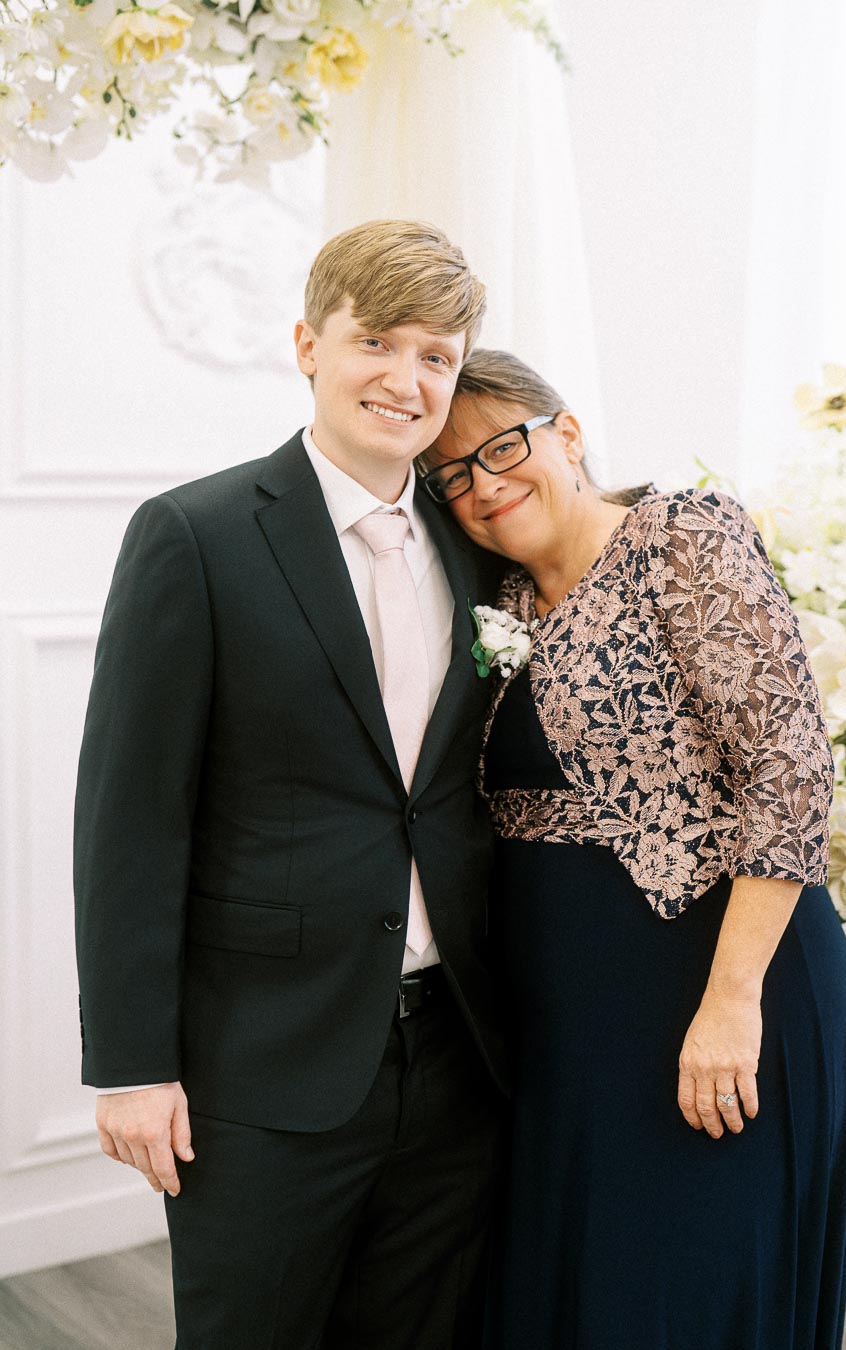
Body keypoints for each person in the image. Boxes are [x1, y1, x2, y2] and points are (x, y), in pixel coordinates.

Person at [73, 220, 510, 1350]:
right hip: (263, 1068)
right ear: (309, 344)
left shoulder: (480, 552)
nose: (407, 381)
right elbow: (130, 819)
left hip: (456, 1057)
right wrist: (131, 1068)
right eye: (379, 342)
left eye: (437, 358)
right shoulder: (195, 535)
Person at [420, 349, 846, 1349]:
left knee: (683, 1298)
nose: (484, 485)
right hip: (572, 1024)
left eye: (502, 447)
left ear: (567, 435)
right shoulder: (498, 598)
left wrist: (729, 1004)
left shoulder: (679, 540)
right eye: (453, 475)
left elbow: (789, 771)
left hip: (716, 993)